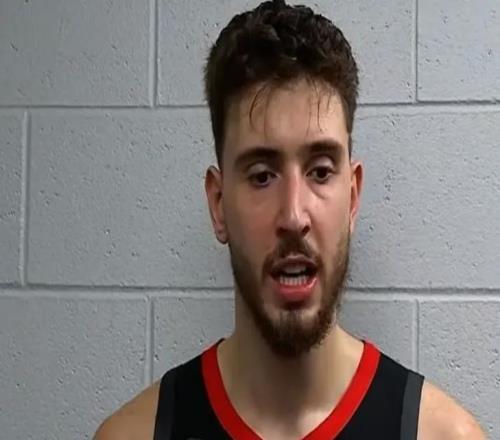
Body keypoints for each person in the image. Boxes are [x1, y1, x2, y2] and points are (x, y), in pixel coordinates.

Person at [95, 1, 485, 438]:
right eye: (262, 176)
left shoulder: (443, 434)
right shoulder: (133, 435)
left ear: (352, 197)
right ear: (219, 204)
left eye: (320, 171)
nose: (294, 216)